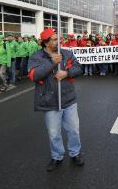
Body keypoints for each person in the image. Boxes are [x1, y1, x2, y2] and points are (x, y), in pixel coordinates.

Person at [28, 28, 84, 172]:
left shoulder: (67, 53)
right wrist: (51, 62)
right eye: (53, 39)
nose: (58, 41)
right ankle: (57, 156)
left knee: (73, 130)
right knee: (54, 133)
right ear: (46, 43)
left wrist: (67, 73)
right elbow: (34, 76)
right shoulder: (36, 57)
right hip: (49, 101)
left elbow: (79, 69)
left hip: (69, 99)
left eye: (58, 38)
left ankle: (75, 153)